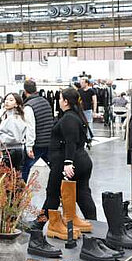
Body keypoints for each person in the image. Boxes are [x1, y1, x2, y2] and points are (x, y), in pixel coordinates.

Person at [38, 88, 96, 223]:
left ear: (65, 101)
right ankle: (93, 222)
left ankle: (41, 222)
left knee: (53, 191)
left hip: (68, 161)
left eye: (60, 99)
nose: (58, 101)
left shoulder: (69, 118)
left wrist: (68, 162)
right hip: (81, 160)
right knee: (82, 193)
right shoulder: (75, 116)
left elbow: (71, 141)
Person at [22, 80, 54, 182]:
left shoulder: (28, 106)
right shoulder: (45, 101)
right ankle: (63, 187)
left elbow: (30, 128)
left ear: (24, 91)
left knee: (25, 168)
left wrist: (29, 146)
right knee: (55, 167)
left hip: (37, 144)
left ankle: (20, 190)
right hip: (48, 142)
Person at [0, 93, 32, 172]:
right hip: (12, 150)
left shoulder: (14, 118)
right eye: (6, 99)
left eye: (11, 100)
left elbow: (16, 138)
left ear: (16, 104)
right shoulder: (10, 116)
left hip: (12, 150)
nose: (7, 102)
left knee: (8, 175)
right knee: (12, 175)